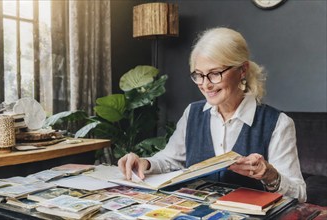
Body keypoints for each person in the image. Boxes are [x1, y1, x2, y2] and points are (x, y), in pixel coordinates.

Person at [118, 27, 307, 203]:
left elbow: (300, 194)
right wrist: (145, 163)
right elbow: (170, 159)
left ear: (242, 70)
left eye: (215, 73)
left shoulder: (278, 123)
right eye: (198, 74)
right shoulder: (192, 113)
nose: (205, 84)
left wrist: (270, 175)